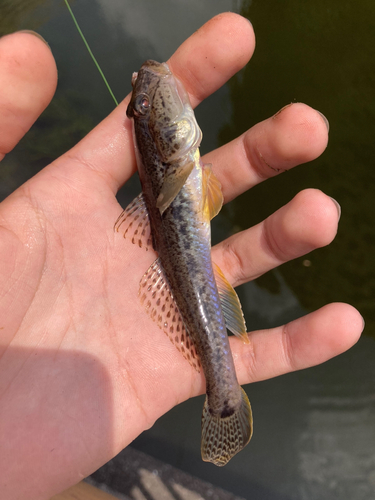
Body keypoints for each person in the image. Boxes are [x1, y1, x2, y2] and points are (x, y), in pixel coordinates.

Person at [0, 14, 363, 500]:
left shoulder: (177, 160)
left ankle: (221, 391)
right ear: (164, 142)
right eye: (144, 106)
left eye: (142, 102)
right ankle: (223, 394)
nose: (145, 90)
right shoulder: (173, 155)